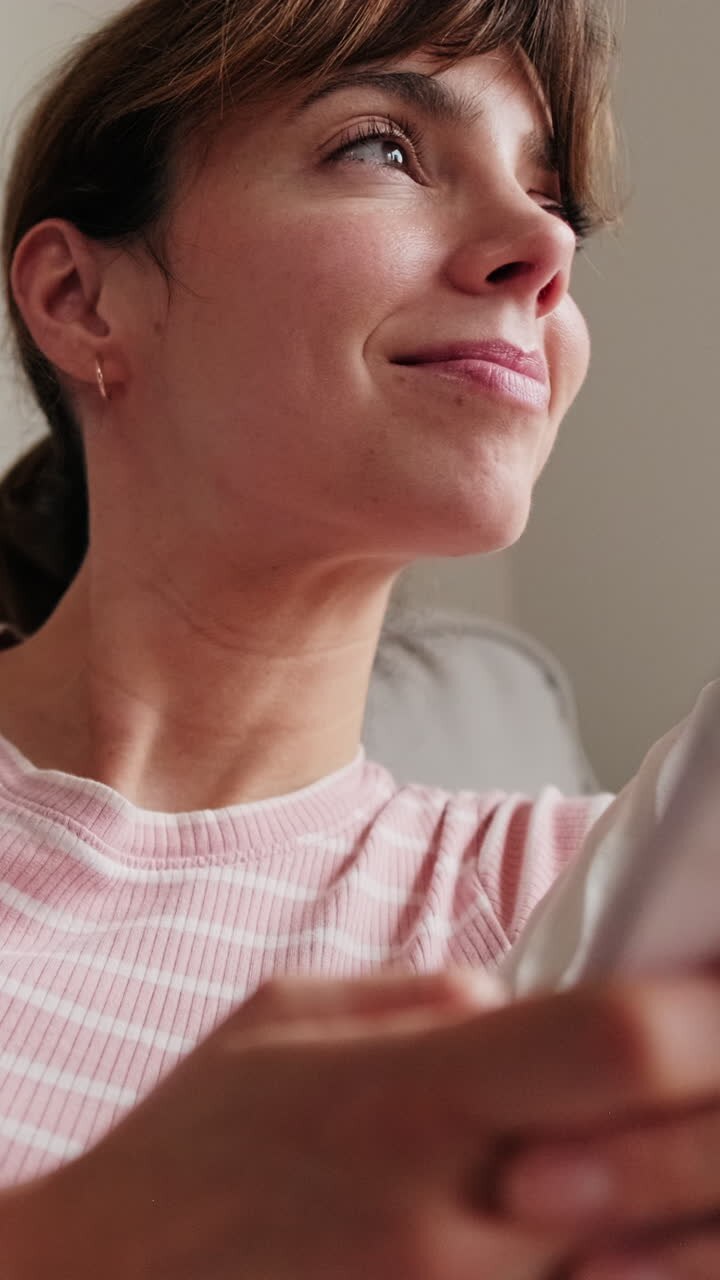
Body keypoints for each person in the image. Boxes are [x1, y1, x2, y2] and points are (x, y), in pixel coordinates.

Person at [0, 0, 719, 1275]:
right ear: (79, 295)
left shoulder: (584, 905)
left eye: (559, 201)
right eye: (382, 147)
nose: (541, 243)